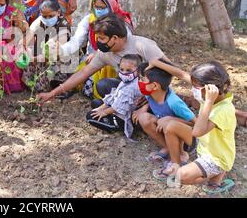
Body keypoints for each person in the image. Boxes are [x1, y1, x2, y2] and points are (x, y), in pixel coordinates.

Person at [147, 60, 236, 194]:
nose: (192, 90)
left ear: (210, 88)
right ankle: (176, 164)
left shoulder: (222, 109)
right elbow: (181, 74)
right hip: (205, 145)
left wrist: (209, 103)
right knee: (170, 126)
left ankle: (216, 175)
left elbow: (197, 132)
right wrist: (156, 62)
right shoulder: (207, 93)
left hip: (216, 157)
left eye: (195, 87)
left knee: (179, 177)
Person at [37, 14, 168, 104]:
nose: (98, 42)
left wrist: (151, 93)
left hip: (153, 91)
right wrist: (52, 94)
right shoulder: (105, 53)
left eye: (101, 38)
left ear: (115, 38)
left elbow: (169, 69)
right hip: (130, 90)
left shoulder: (143, 45)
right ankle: (118, 107)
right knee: (103, 86)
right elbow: (83, 73)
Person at [60, 0, 134, 99]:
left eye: (103, 8)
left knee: (99, 86)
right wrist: (60, 50)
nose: (99, 11)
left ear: (112, 6)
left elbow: (127, 48)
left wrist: (98, 53)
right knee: (77, 71)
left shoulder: (121, 22)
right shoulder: (89, 20)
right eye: (97, 7)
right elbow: (76, 41)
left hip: (112, 61)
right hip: (90, 60)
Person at [134, 60, 196, 180]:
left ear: (155, 85)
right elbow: (149, 102)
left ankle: (180, 156)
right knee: (144, 118)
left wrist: (170, 118)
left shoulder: (174, 102)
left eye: (142, 79)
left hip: (187, 138)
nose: (139, 82)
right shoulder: (150, 93)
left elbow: (196, 123)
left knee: (169, 124)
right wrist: (143, 108)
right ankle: (168, 148)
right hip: (167, 131)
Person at [22, 0, 72, 95]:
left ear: (58, 12)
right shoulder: (38, 22)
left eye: (51, 16)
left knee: (52, 52)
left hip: (59, 57)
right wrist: (29, 54)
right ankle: (37, 85)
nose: (48, 19)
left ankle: (58, 84)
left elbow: (57, 49)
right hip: (41, 56)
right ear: (40, 14)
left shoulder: (63, 25)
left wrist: (38, 57)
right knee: (27, 58)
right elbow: (25, 42)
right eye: (45, 16)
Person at [86, 54, 142, 138]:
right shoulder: (127, 80)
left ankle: (116, 126)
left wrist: (104, 112)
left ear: (137, 71)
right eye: (122, 69)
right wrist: (101, 108)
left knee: (90, 116)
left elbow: (118, 107)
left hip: (123, 117)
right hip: (118, 107)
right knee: (96, 104)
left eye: (128, 70)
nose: (124, 73)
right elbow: (114, 96)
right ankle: (108, 117)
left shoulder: (130, 88)